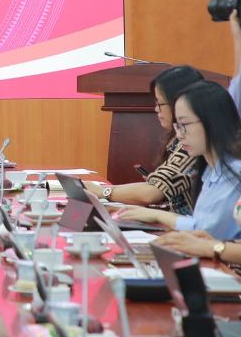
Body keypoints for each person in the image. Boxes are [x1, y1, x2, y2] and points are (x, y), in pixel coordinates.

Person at [117, 81, 241, 240]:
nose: (179, 135)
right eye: (177, 126)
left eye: (184, 125)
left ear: (213, 121)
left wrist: (158, 216)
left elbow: (207, 234)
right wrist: (155, 215)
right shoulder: (211, 170)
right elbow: (200, 225)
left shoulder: (234, 173)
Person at [85, 66, 204, 214]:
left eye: (160, 103)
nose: (156, 109)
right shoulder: (179, 140)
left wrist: (103, 192)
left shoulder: (193, 143)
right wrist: (102, 190)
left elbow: (151, 193)